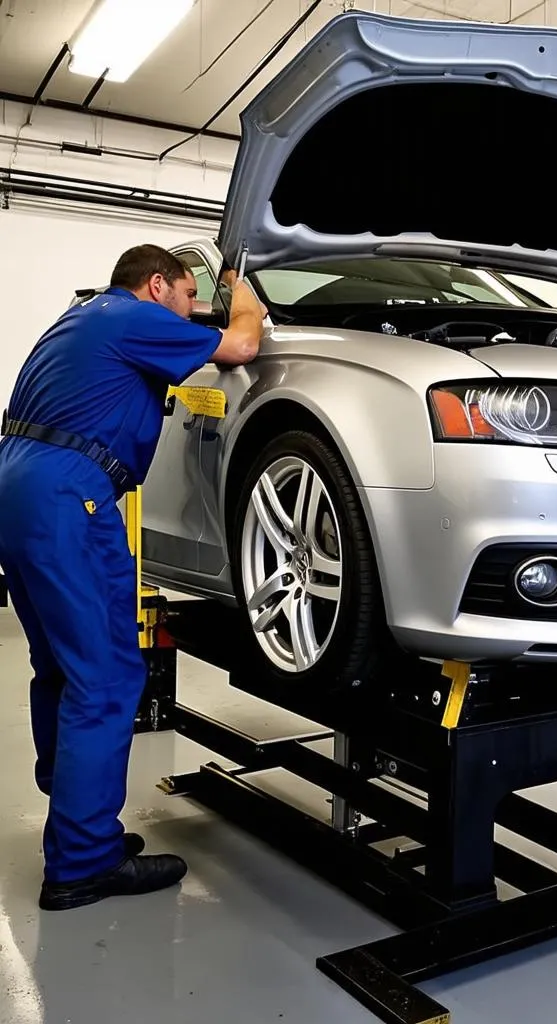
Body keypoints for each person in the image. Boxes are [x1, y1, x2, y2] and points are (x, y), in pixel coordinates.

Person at [0, 244, 265, 911]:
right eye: (185, 296)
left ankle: (78, 826)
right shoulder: (132, 318)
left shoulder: (82, 318)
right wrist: (245, 291)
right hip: (70, 497)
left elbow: (187, 337)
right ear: (157, 285)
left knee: (61, 667)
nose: (188, 309)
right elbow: (238, 346)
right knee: (108, 676)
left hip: (22, 486)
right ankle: (82, 865)